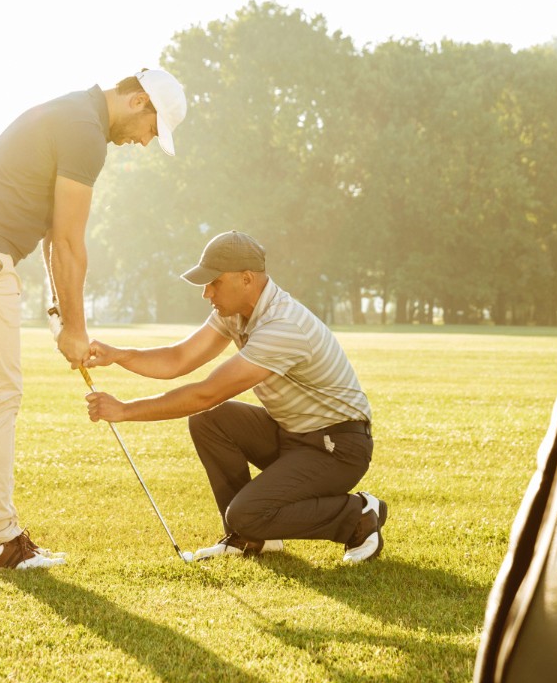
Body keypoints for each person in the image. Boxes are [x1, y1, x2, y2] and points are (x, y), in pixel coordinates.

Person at [0, 68, 188, 571]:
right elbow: (69, 241)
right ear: (138, 102)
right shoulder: (84, 133)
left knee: (1, 392)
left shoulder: (77, 116)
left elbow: (51, 235)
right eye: (153, 129)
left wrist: (58, 312)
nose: (147, 142)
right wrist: (75, 328)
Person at [83, 231, 388, 563]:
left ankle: (356, 516)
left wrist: (125, 410)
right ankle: (250, 539)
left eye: (213, 282)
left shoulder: (282, 326)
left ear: (246, 279)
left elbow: (207, 393)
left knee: (244, 510)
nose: (206, 293)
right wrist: (118, 355)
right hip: (293, 435)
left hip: (337, 449)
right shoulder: (235, 312)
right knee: (211, 421)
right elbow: (179, 358)